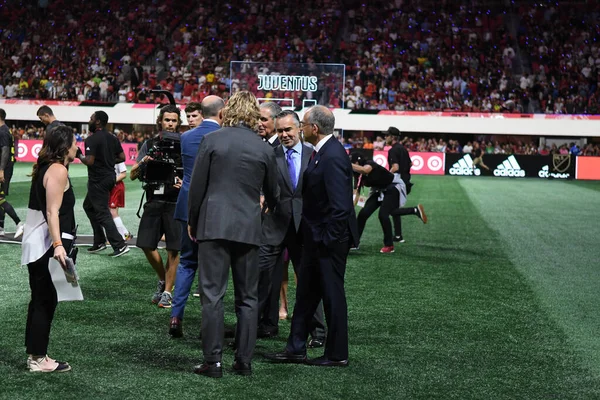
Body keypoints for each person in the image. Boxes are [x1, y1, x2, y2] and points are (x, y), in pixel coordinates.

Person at [188, 91, 279, 378]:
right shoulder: (264, 147)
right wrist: (261, 211)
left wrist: (193, 220)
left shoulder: (212, 140)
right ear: (253, 114)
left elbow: (197, 188)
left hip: (213, 225)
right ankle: (243, 362)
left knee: (212, 296)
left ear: (227, 112)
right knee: (248, 298)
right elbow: (275, 193)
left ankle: (213, 362)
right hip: (248, 228)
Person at [265, 105, 358, 367]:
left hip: (327, 243)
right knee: (305, 296)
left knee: (332, 297)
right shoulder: (324, 152)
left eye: (303, 125)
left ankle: (337, 354)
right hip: (316, 241)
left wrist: (327, 241)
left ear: (314, 129)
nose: (302, 129)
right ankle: (295, 348)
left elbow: (341, 207)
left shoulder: (332, 156)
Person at [257, 110, 326, 346]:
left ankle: (317, 332)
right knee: (263, 279)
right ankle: (264, 325)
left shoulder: (314, 154)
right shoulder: (269, 155)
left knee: (308, 280)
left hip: (304, 228)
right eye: (280, 131)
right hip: (273, 226)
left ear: (299, 128)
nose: (284, 134)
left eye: (288, 129)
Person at [21, 125, 79, 372]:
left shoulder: (46, 167)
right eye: (75, 142)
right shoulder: (57, 169)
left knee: (40, 299)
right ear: (65, 146)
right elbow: (52, 211)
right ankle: (38, 359)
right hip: (48, 244)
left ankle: (35, 353)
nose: (78, 146)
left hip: (39, 242)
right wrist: (58, 245)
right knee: (45, 300)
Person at [169, 96, 224, 338]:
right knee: (211, 266)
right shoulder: (224, 136)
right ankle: (208, 324)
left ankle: (175, 316)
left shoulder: (186, 137)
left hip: (186, 203)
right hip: (213, 207)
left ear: (201, 112)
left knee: (187, 262)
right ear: (221, 112)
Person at [130, 105, 183, 308]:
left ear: (178, 122)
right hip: (153, 199)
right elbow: (133, 174)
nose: (170, 123)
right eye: (167, 119)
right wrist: (143, 162)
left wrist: (184, 183)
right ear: (160, 121)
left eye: (174, 120)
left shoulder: (184, 144)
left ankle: (168, 292)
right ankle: (163, 279)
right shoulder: (150, 144)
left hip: (175, 201)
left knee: (173, 249)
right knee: (145, 243)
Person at [351, 152, 427, 253]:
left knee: (383, 215)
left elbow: (365, 170)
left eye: (353, 163)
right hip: (378, 190)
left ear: (357, 162)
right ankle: (354, 242)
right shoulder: (357, 174)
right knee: (363, 214)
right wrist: (350, 208)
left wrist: (347, 163)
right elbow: (356, 192)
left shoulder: (369, 163)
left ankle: (389, 245)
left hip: (392, 187)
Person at [77, 111, 129, 257]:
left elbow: (89, 161)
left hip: (97, 180)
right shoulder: (112, 138)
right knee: (88, 206)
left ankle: (119, 245)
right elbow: (122, 157)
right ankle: (99, 241)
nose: (89, 120)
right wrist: (108, 161)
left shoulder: (91, 139)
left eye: (91, 118)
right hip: (110, 178)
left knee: (102, 213)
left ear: (98, 121)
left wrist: (79, 155)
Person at [386, 127, 414, 243]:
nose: (385, 137)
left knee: (388, 211)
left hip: (397, 184)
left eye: (387, 135)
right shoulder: (403, 149)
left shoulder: (393, 150)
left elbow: (395, 167)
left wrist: (385, 176)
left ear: (392, 137)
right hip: (406, 183)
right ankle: (398, 236)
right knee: (394, 209)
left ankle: (415, 210)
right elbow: (411, 163)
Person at [0, 108, 24, 238]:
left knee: (0, 199)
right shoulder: (6, 130)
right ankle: (1, 227)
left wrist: (1, 170)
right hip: (6, 168)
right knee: (0, 197)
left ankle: (19, 223)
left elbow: (5, 151)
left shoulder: (3, 131)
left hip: (4, 168)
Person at [109, 161, 132, 241]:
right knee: (110, 212)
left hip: (116, 186)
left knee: (112, 212)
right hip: (110, 187)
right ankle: (126, 234)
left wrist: (111, 181)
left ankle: (121, 236)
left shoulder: (117, 158)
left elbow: (123, 174)